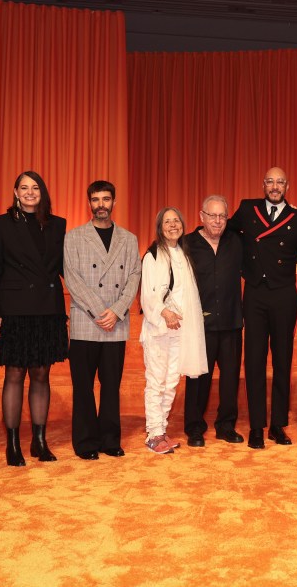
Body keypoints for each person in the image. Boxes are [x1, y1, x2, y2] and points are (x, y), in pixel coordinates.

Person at [0, 171, 68, 466]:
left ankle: (39, 440)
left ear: (42, 192)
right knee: (14, 374)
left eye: (35, 187)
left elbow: (64, 267)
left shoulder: (58, 224)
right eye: (24, 187)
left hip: (48, 308)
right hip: (14, 309)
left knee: (41, 374)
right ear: (15, 192)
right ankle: (12, 444)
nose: (30, 192)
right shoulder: (1, 223)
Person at [233, 168, 297, 449]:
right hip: (254, 292)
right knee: (253, 360)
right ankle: (256, 426)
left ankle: (278, 425)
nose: (275, 186)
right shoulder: (247, 208)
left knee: (282, 360)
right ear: (263, 184)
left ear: (287, 185)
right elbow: (228, 237)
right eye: (270, 181)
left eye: (280, 182)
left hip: (283, 294)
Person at [63, 180, 141, 460]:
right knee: (83, 387)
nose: (101, 205)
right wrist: (100, 311)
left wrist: (117, 310)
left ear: (114, 203)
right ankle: (85, 442)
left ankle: (110, 440)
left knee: (111, 386)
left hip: (115, 323)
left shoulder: (129, 239)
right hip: (87, 322)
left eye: (106, 199)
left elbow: (134, 276)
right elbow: (72, 277)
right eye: (95, 200)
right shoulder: (73, 237)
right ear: (89, 203)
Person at [140, 207, 209, 454]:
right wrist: (165, 313)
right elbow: (148, 295)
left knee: (170, 383)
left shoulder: (183, 253)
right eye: (167, 222)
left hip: (180, 330)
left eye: (176, 221)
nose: (172, 225)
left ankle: (161, 430)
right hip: (159, 330)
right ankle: (153, 433)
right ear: (159, 227)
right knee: (156, 382)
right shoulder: (153, 255)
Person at [182, 195, 245, 447]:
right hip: (200, 325)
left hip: (231, 321)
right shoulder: (187, 244)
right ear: (201, 216)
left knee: (230, 378)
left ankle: (226, 426)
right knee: (198, 378)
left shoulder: (237, 242)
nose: (217, 221)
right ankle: (194, 428)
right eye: (212, 215)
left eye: (222, 216)